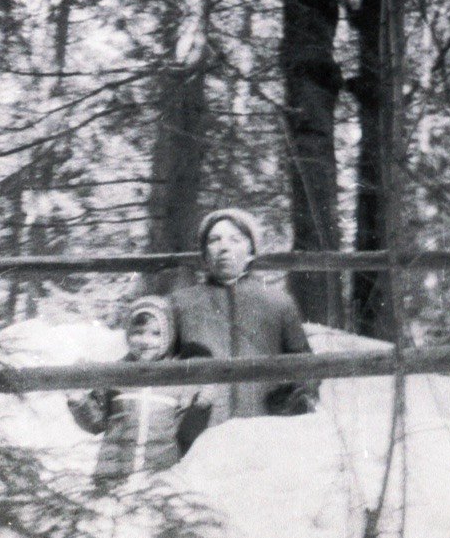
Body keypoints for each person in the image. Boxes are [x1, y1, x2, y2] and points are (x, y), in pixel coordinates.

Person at [168, 207, 317, 448]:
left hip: (262, 431)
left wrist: (293, 395)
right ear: (204, 254)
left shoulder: (278, 303)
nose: (224, 247)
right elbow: (154, 359)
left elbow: (306, 365)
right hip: (199, 436)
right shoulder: (180, 304)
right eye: (214, 240)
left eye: (235, 239)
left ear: (250, 253)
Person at [67, 296, 209, 487]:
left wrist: (202, 403)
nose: (145, 341)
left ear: (169, 336)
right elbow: (96, 423)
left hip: (159, 477)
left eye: (156, 333)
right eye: (138, 332)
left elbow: (189, 433)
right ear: (127, 334)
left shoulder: (178, 380)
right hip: (113, 476)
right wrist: (79, 401)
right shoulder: (115, 374)